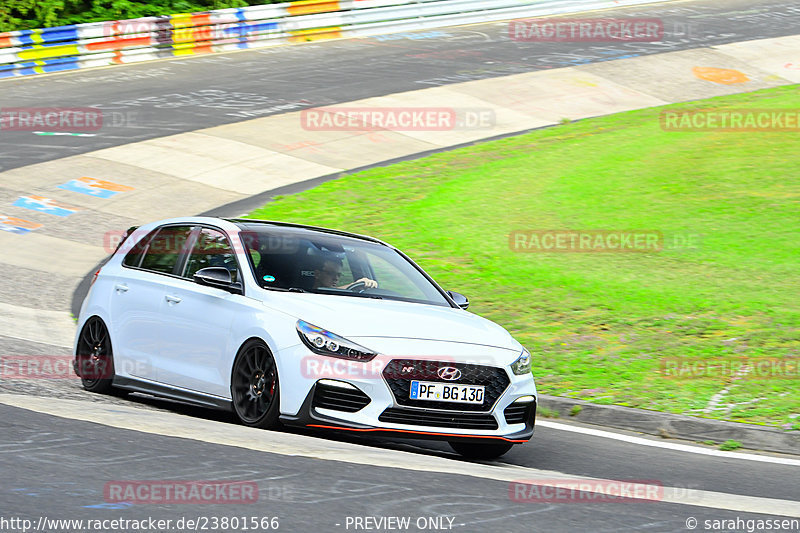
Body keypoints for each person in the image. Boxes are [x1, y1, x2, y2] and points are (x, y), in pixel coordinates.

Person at [313, 256, 377, 290]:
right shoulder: (306, 293)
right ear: (317, 274)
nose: (336, 278)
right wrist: (354, 284)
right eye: (331, 273)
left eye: (338, 275)